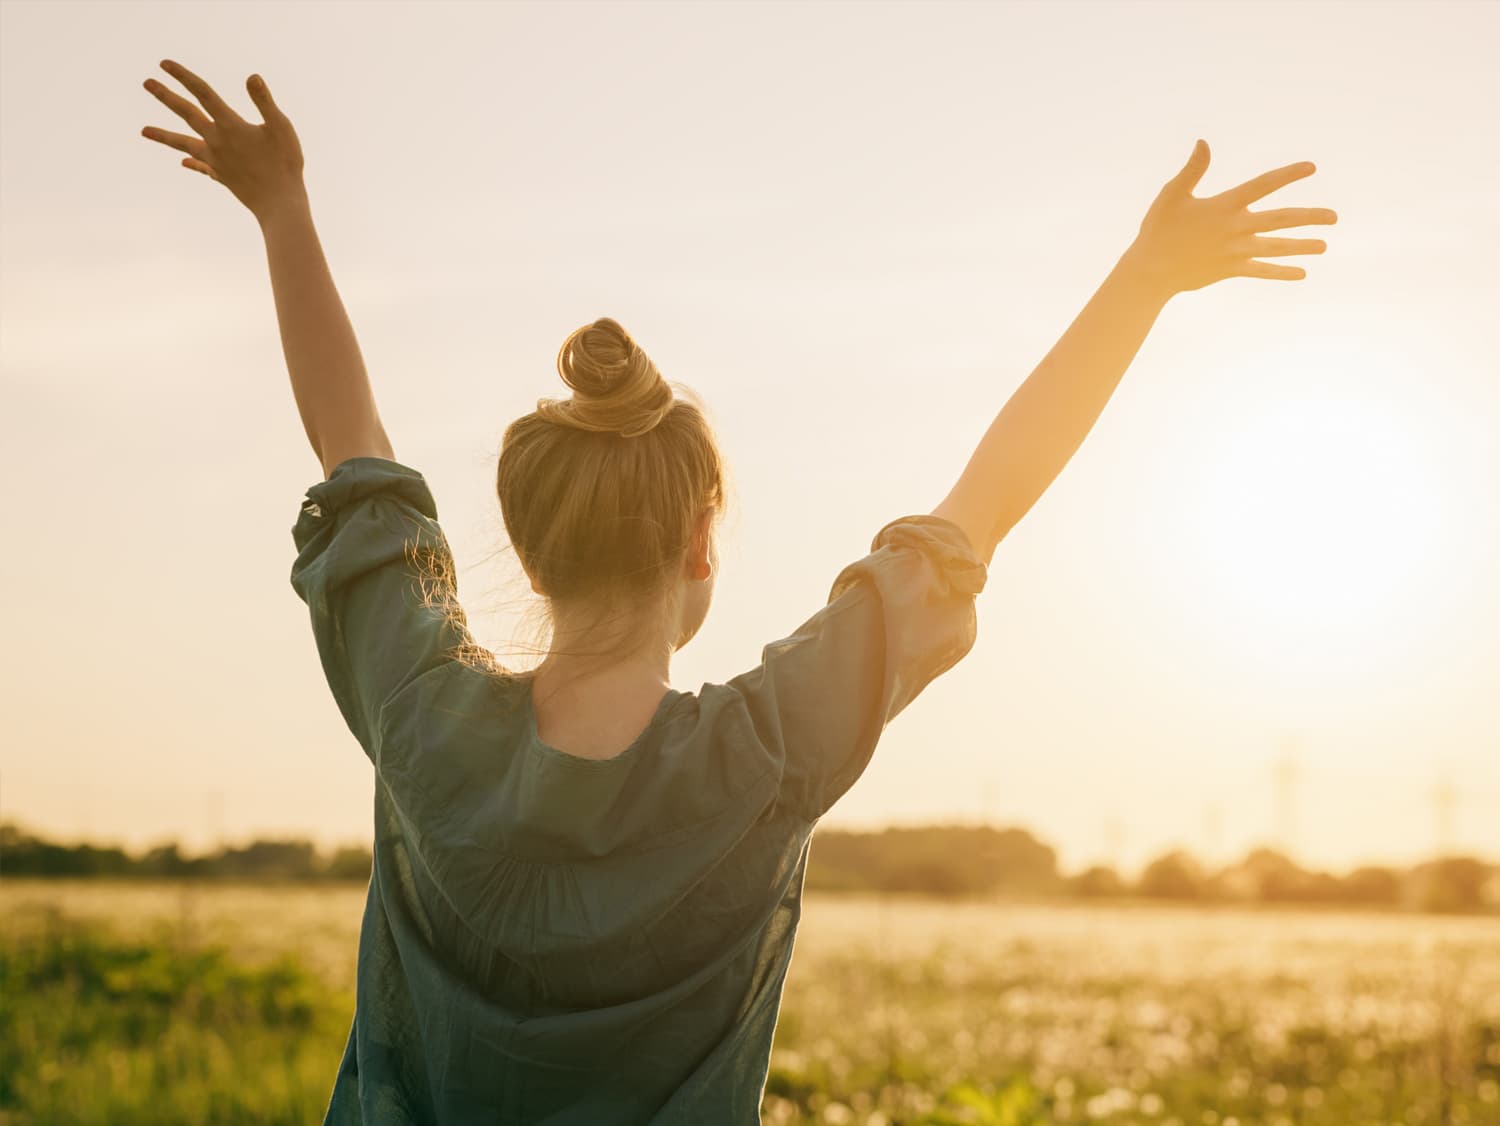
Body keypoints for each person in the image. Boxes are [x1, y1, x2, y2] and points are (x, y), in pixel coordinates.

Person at [141, 59, 1336, 1126]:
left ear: (528, 541)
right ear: (701, 546)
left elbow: (353, 454)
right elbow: (982, 505)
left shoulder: (418, 711)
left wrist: (282, 207)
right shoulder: (764, 753)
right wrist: (1144, 280)